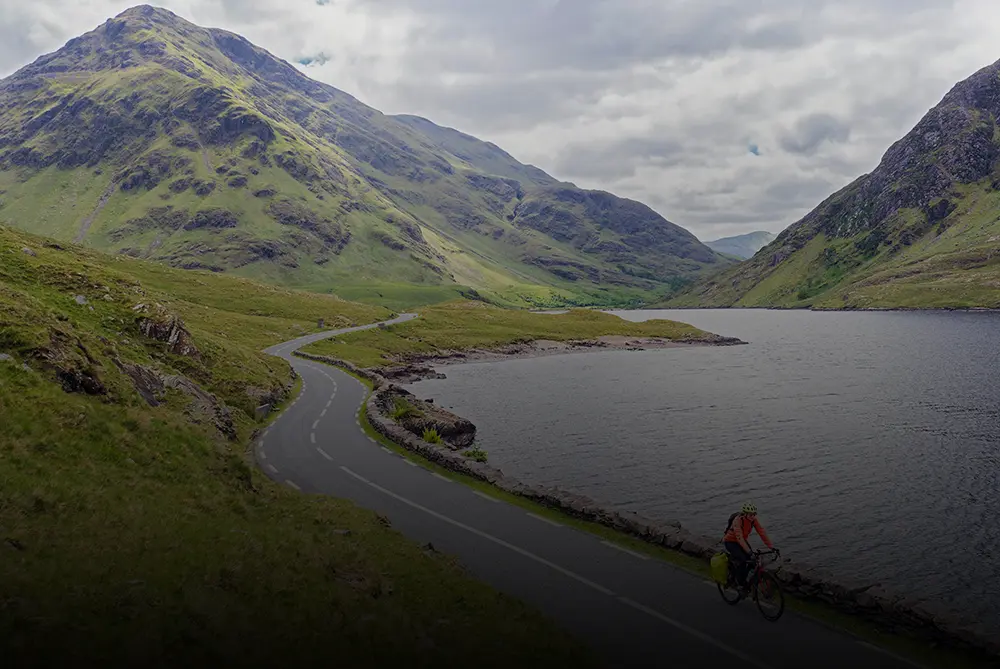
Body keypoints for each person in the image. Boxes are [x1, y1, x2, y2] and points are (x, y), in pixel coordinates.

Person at [723, 502, 778, 591]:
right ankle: (740, 583)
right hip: (731, 542)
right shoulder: (737, 521)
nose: (752, 516)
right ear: (745, 514)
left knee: (753, 561)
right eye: (750, 515)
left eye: (754, 514)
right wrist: (749, 552)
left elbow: (761, 532)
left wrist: (771, 547)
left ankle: (747, 580)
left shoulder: (753, 520)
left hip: (741, 541)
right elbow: (739, 538)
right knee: (743, 560)